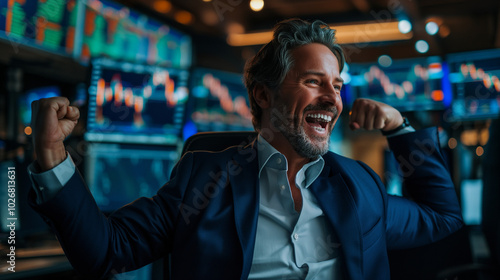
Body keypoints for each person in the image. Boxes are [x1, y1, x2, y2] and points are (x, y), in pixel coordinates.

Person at [28, 18, 463, 279]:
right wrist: (51, 157)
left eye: (337, 85)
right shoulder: (204, 180)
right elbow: (105, 251)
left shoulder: (358, 184)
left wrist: (402, 128)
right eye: (314, 81)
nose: (333, 99)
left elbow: (442, 216)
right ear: (263, 95)